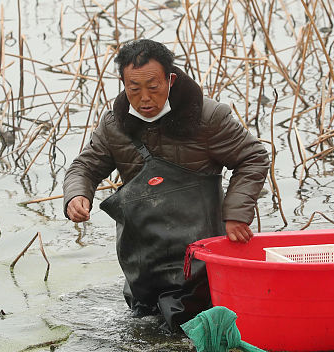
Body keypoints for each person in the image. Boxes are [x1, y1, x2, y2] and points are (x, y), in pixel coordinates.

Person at [63, 39, 269, 330]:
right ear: (123, 83)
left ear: (170, 80)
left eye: (153, 86)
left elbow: (253, 157)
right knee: (143, 334)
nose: (145, 98)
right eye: (134, 89)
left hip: (201, 262)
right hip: (141, 263)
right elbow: (84, 167)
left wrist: (236, 214)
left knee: (195, 331)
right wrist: (76, 195)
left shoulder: (208, 118)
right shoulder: (114, 125)